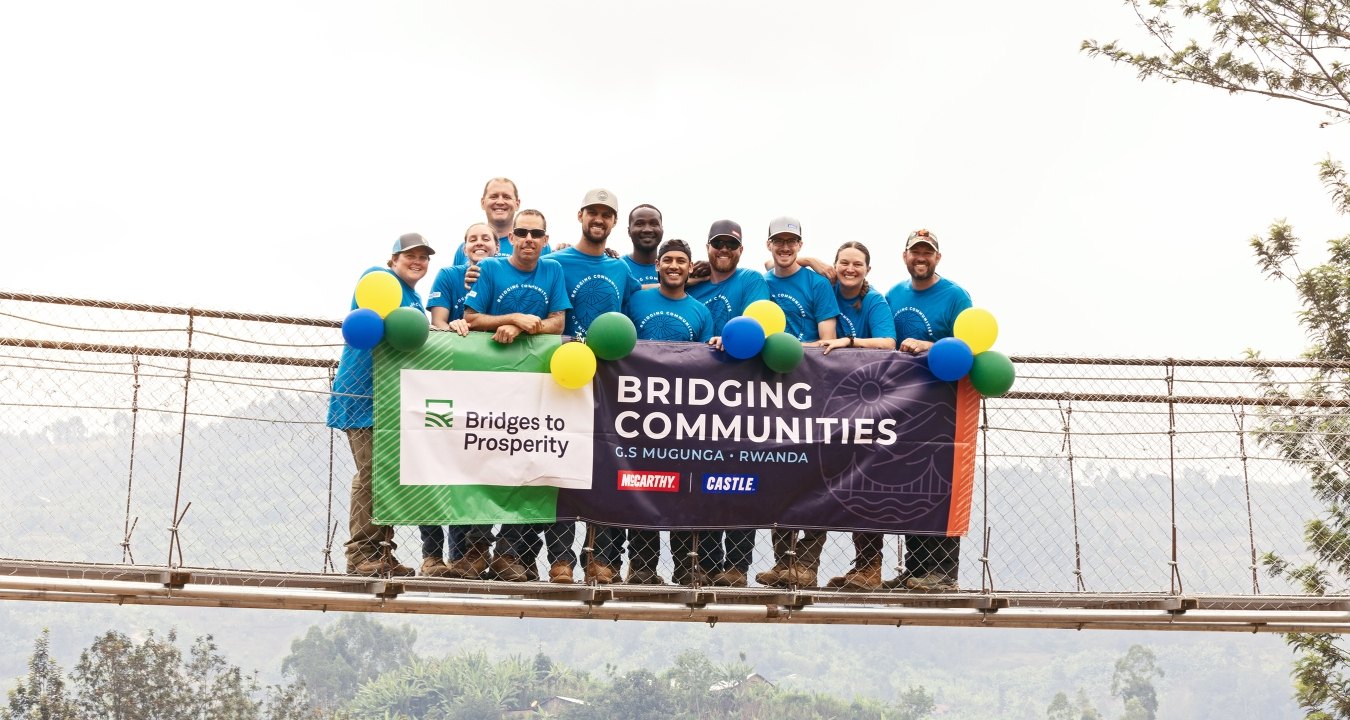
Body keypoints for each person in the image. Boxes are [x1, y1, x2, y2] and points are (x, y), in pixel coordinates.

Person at [461, 209, 574, 583]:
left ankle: (508, 554)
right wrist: (510, 318)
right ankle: (475, 551)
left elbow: (559, 322)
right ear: (511, 237)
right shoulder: (492, 269)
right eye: (521, 232)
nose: (528, 239)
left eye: (535, 234)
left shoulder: (553, 271)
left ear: (545, 239)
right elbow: (472, 317)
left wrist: (527, 327)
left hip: (536, 388)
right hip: (489, 384)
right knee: (484, 465)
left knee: (527, 468)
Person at [546, 188, 642, 584]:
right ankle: (561, 560)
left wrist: (698, 273)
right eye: (593, 213)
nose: (599, 219)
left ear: (614, 222)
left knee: (610, 469)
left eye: (607, 214)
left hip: (610, 382)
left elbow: (646, 303)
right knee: (561, 469)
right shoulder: (555, 262)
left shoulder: (621, 270)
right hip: (563, 380)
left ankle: (601, 560)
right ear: (580, 215)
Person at [328, 233, 434, 577]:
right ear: (393, 260)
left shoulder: (414, 298)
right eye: (410, 256)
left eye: (423, 257)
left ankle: (382, 552)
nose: (417, 262)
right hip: (363, 397)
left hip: (393, 400)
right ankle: (360, 555)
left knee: (387, 475)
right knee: (371, 474)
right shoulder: (378, 278)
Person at [615, 238, 714, 585]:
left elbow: (708, 364)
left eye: (681, 261)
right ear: (657, 265)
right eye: (667, 260)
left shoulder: (701, 312)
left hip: (683, 417)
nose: (674, 266)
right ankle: (642, 568)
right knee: (641, 488)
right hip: (636, 410)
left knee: (685, 490)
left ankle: (687, 567)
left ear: (690, 268)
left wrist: (716, 345)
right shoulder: (637, 299)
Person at [680, 219, 771, 587]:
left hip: (740, 396)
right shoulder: (694, 287)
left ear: (741, 250)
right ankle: (695, 564)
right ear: (707, 248)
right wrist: (687, 277)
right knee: (690, 482)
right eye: (718, 244)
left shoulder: (751, 281)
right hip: (691, 400)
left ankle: (735, 567)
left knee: (739, 482)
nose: (724, 251)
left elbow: (755, 326)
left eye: (731, 245)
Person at [885, 228, 972, 592]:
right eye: (915, 252)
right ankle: (917, 568)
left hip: (944, 402)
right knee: (909, 484)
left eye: (928, 253)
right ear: (905, 256)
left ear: (938, 258)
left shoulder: (955, 296)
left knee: (941, 483)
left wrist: (929, 345)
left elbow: (968, 345)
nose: (921, 258)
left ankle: (943, 573)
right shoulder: (893, 294)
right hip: (903, 405)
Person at [758, 216, 839, 588]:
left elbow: (827, 339)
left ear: (800, 245)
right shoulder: (760, 282)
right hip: (770, 390)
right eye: (779, 241)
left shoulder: (817, 283)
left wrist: (791, 349)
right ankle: (783, 561)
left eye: (792, 242)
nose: (785, 247)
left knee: (813, 477)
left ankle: (807, 564)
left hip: (811, 389)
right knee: (776, 476)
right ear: (769, 244)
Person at [815, 241, 898, 591]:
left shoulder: (875, 300)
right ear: (835, 266)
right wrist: (808, 259)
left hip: (869, 400)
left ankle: (869, 568)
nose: (850, 269)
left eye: (858, 264)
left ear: (867, 269)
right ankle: (806, 564)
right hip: (826, 399)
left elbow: (888, 343)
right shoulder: (826, 289)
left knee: (865, 483)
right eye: (843, 263)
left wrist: (849, 343)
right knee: (816, 478)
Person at [420, 222, 499, 579]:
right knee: (434, 467)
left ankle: (474, 552)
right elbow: (435, 324)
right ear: (464, 246)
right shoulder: (448, 276)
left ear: (499, 247)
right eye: (473, 238)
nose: (479, 243)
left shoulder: (502, 277)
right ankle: (433, 555)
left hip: (489, 393)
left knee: (485, 469)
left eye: (487, 238)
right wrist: (452, 324)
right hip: (445, 387)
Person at [449, 177, 555, 265]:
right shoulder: (466, 248)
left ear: (517, 204)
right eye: (494, 196)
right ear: (482, 202)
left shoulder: (538, 245)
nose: (500, 202)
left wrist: (565, 250)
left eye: (507, 197)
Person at [622, 204, 663, 287]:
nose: (647, 229)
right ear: (629, 231)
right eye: (639, 224)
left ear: (662, 229)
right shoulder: (617, 267)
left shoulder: (675, 270)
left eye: (654, 224)